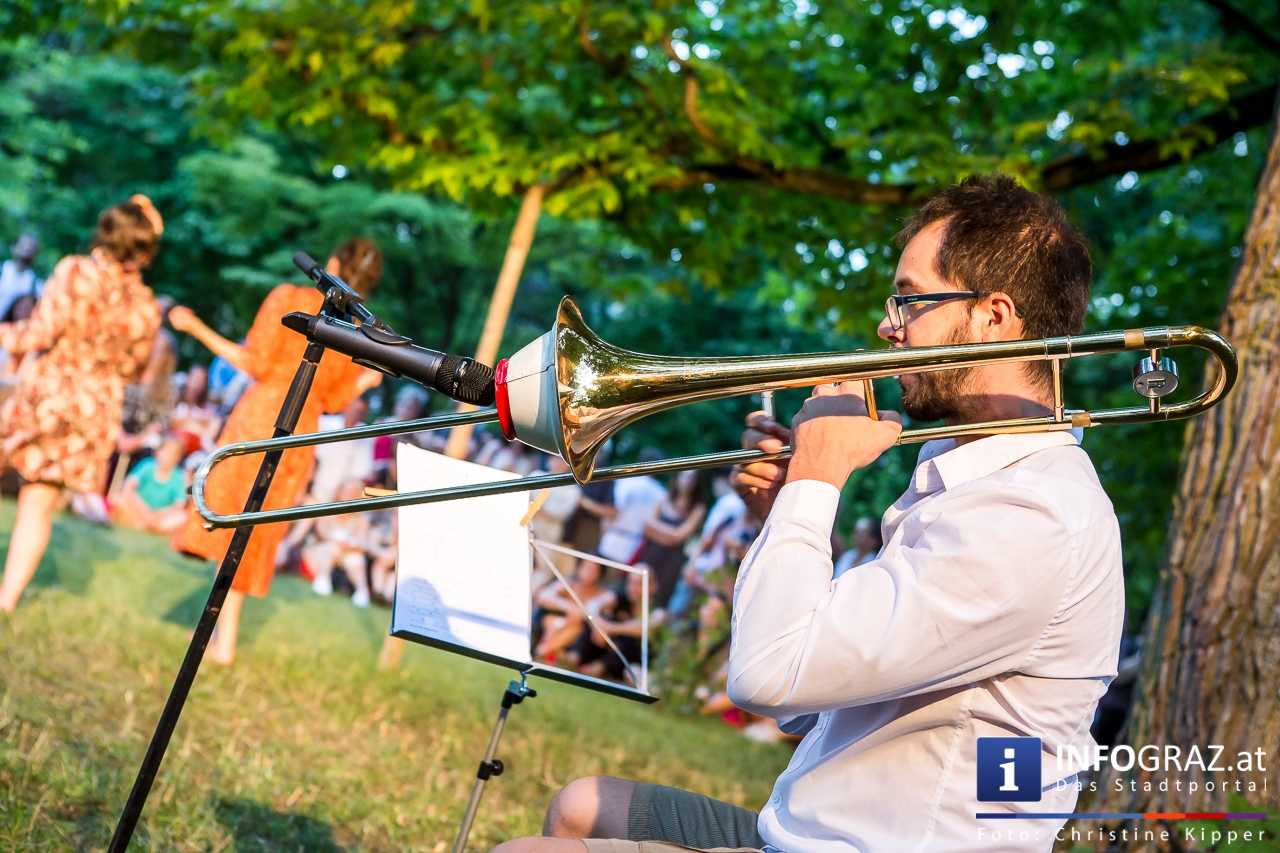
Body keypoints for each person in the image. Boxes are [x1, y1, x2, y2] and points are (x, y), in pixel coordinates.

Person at [495, 175, 1124, 852]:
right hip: (809, 829)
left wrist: (816, 478)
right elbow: (807, 705)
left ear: (993, 317)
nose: (888, 325)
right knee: (580, 805)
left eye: (910, 299)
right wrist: (782, 513)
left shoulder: (1029, 514)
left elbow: (765, 678)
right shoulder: (965, 476)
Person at [168, 237, 384, 663]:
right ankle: (223, 640)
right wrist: (363, 382)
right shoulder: (356, 332)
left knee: (233, 522)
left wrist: (194, 327)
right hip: (303, 432)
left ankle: (222, 640)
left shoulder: (290, 297)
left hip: (262, 417)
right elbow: (336, 400)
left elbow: (255, 364)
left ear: (334, 262)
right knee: (251, 530)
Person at [0, 197, 163, 612]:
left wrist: (7, 336)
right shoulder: (145, 307)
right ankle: (6, 599)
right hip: (93, 408)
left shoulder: (75, 271)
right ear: (143, 249)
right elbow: (134, 368)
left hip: (50, 392)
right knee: (38, 502)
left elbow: (39, 332)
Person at [633, 470, 710, 606]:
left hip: (671, 562)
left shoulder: (698, 508)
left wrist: (660, 532)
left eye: (692, 478)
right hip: (651, 553)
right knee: (638, 587)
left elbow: (679, 537)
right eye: (684, 476)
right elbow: (647, 527)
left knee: (659, 597)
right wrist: (671, 537)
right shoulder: (664, 498)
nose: (687, 481)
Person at [111, 433, 189, 535]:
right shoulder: (147, 465)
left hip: (158, 517)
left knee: (181, 517)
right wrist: (144, 510)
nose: (168, 456)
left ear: (178, 458)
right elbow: (128, 487)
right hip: (137, 509)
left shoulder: (178, 476)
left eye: (173, 454)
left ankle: (143, 526)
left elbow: (179, 505)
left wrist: (157, 514)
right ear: (158, 452)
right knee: (118, 499)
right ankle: (146, 527)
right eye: (166, 451)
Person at [0, 233, 43, 324]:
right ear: (13, 247)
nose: (27, 249)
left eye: (31, 247)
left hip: (12, 334)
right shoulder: (2, 270)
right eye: (23, 245)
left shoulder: (36, 285)